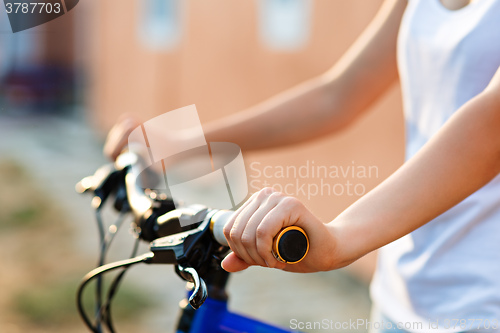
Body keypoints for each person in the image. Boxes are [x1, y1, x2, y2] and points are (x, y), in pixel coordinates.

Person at [104, 0, 500, 331]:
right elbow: (338, 95)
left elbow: (490, 129)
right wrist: (180, 145)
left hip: (482, 305)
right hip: (403, 292)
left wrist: (340, 239)